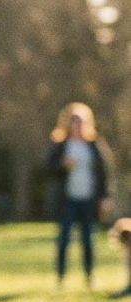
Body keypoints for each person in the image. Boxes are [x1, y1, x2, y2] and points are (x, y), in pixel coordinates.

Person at [47, 103, 113, 290]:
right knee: (64, 239)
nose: (77, 125)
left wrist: (105, 197)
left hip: (88, 199)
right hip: (67, 199)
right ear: (67, 123)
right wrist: (63, 166)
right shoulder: (60, 145)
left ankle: (89, 277)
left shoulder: (93, 145)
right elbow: (48, 170)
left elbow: (103, 173)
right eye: (73, 121)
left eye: (80, 121)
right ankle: (60, 278)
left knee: (88, 240)